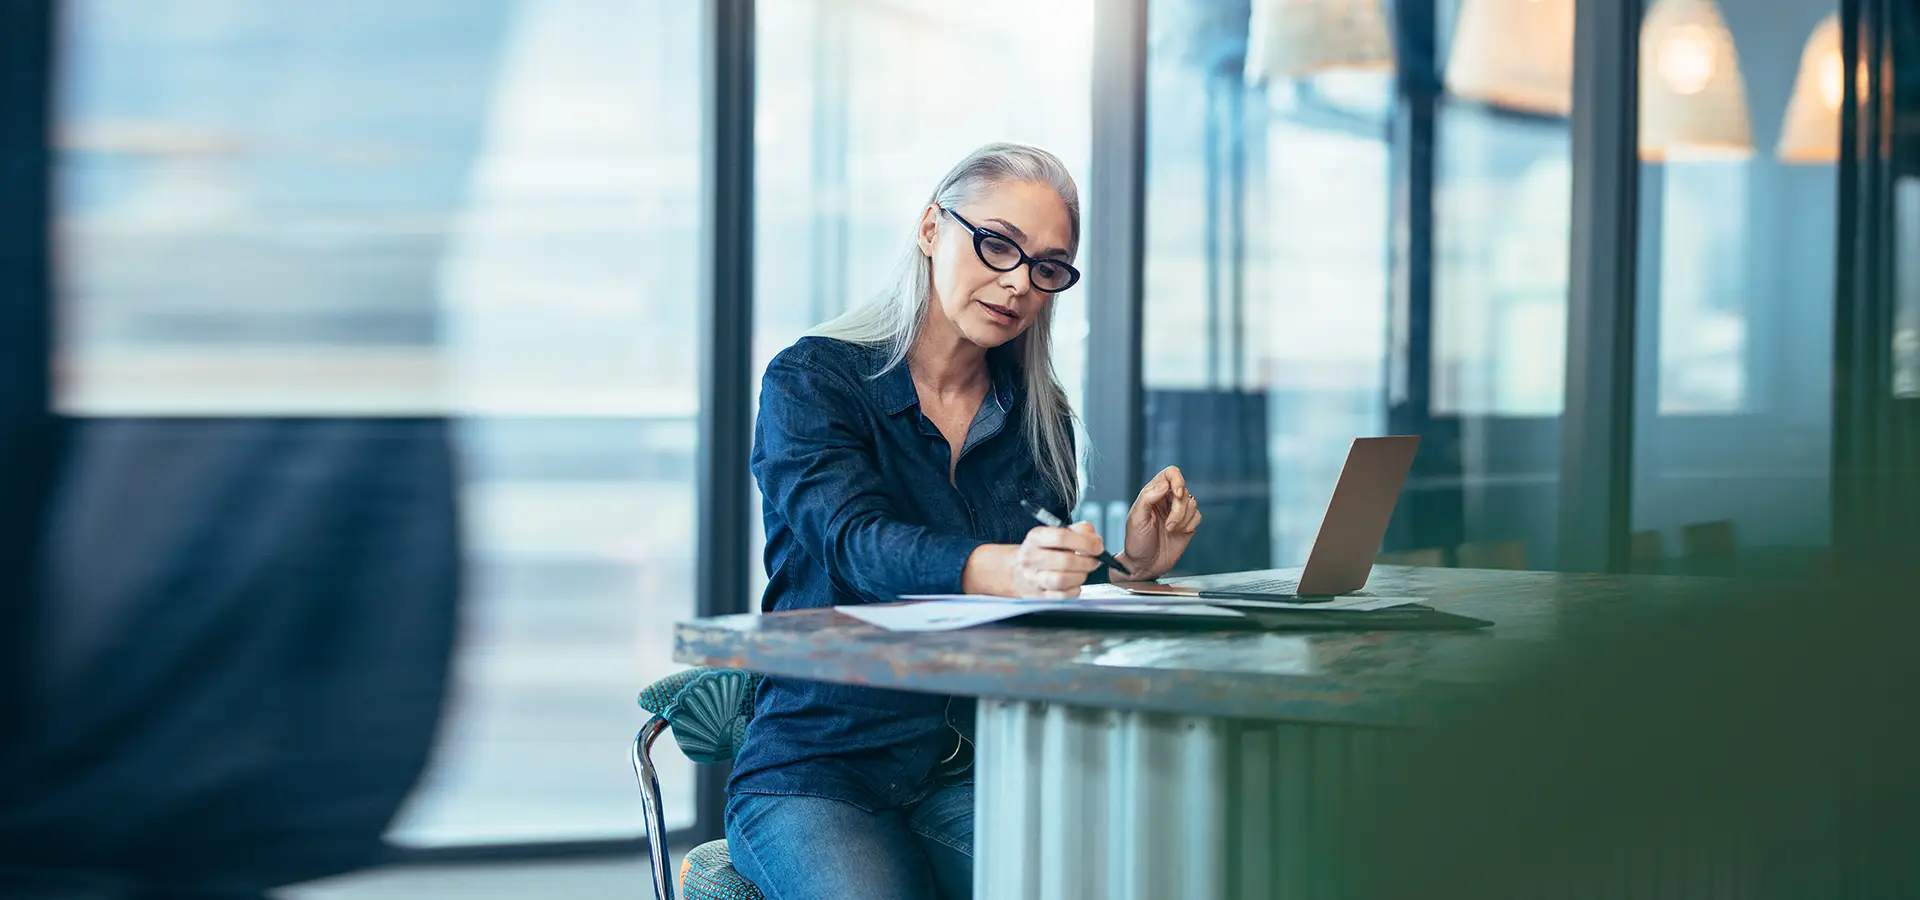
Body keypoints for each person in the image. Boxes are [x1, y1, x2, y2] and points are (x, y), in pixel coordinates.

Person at [727, 143, 1203, 900]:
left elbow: (1030, 595)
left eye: (1046, 267)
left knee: (1119, 880)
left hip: (972, 768)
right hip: (818, 773)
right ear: (929, 229)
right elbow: (856, 545)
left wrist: (1127, 567)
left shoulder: (1033, 419)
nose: (1018, 282)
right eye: (997, 244)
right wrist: (1008, 566)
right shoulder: (813, 381)